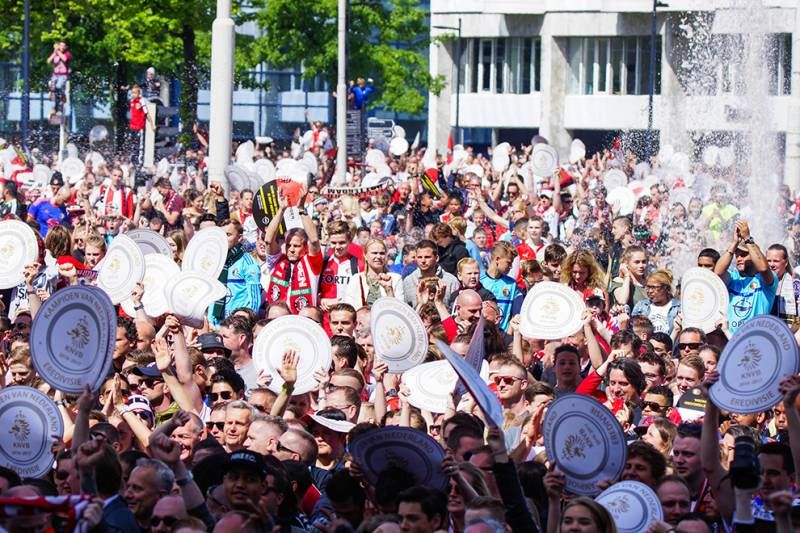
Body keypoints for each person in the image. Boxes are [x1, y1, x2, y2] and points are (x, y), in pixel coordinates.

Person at [713, 219, 776, 333]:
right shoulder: (733, 277)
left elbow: (763, 267)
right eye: (737, 255)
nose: (739, 258)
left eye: (744, 255)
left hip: (755, 340)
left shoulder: (764, 280)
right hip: (731, 340)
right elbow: (717, 273)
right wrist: (734, 243)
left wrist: (747, 239)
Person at [127, 84, 157, 168]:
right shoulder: (132, 101)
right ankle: (132, 161)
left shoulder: (141, 101)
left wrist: (152, 124)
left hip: (139, 127)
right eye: (132, 93)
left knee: (139, 145)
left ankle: (139, 163)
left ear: (138, 93)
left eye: (134, 93)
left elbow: (146, 114)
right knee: (132, 144)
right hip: (132, 127)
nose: (133, 95)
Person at [47, 41, 71, 115]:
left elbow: (64, 59)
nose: (62, 47)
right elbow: (48, 61)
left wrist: (57, 51)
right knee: (53, 89)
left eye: (63, 46)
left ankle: (61, 99)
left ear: (66, 47)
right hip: (55, 75)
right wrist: (55, 52)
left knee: (58, 87)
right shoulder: (56, 53)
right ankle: (55, 106)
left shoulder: (67, 54)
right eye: (60, 45)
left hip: (63, 75)